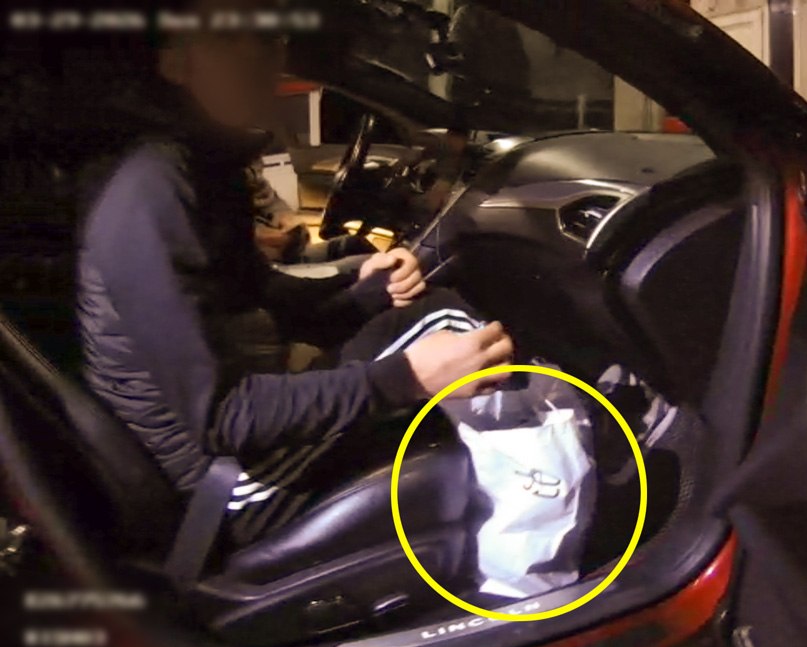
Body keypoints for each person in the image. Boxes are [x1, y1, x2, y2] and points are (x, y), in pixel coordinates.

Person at [75, 0, 513, 545]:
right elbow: (222, 418)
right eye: (240, 37)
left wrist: (370, 291)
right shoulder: (151, 189)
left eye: (272, 35)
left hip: (238, 448)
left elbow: (266, 302)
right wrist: (407, 377)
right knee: (446, 319)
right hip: (221, 488)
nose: (271, 51)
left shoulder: (202, 166)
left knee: (421, 311)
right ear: (174, 64)